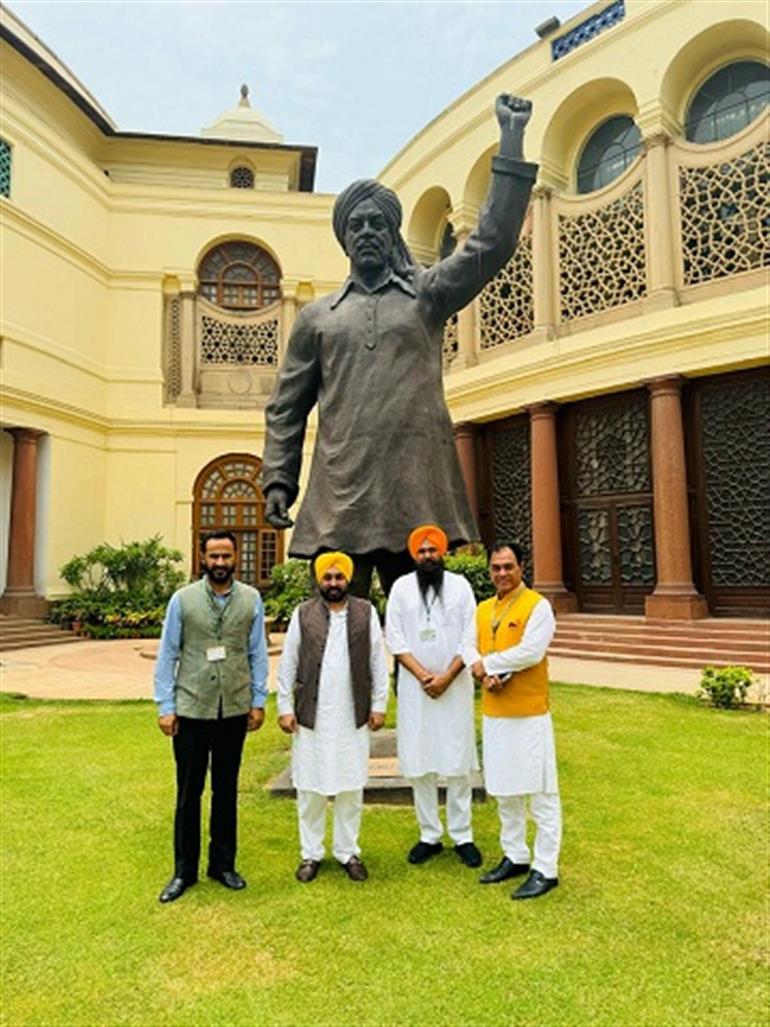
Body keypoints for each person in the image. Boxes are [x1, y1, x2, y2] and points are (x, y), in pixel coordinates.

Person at [261, 94, 536, 597]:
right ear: (344, 237)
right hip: (340, 497)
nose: (367, 231)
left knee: (425, 630)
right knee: (337, 631)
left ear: (392, 233)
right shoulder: (316, 317)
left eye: (377, 223)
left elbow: (491, 244)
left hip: (415, 491)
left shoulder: (426, 297)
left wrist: (511, 144)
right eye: (356, 224)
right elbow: (286, 409)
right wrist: (279, 478)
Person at [153, 530, 268, 904]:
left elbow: (257, 654)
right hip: (191, 709)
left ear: (236, 557)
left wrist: (257, 700)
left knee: (225, 791)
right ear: (203, 558)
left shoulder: (251, 600)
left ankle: (223, 865)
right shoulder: (182, 601)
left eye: (226, 556)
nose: (220, 562)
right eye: (214, 556)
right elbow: (167, 654)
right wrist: (165, 706)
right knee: (189, 793)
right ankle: (183, 872)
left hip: (232, 709)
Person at [276, 551, 389, 883]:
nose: (334, 583)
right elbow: (288, 662)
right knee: (309, 787)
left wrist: (379, 705)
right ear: (319, 580)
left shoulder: (365, 613)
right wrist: (285, 708)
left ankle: (347, 851)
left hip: (351, 715)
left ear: (348, 579)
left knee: (350, 786)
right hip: (312, 714)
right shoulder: (303, 614)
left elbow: (377, 662)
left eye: (339, 577)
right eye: (328, 577)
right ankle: (310, 853)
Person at [385, 524, 481, 868]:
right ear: (414, 555)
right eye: (422, 551)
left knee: (457, 761)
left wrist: (448, 676)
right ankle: (429, 834)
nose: (428, 556)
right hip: (416, 688)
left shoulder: (460, 587)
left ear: (443, 553)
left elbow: (471, 636)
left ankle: (462, 834)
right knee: (420, 761)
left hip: (454, 687)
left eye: (433, 550)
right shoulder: (400, 588)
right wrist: (425, 676)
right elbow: (394, 638)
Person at [471, 542, 561, 900]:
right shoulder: (483, 609)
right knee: (504, 791)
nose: (502, 574)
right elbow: (469, 647)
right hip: (496, 716)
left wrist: (490, 665)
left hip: (529, 715)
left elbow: (531, 651)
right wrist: (481, 672)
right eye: (496, 568)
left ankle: (546, 868)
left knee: (541, 794)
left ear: (522, 567)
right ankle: (516, 855)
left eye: (508, 566)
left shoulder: (538, 607)